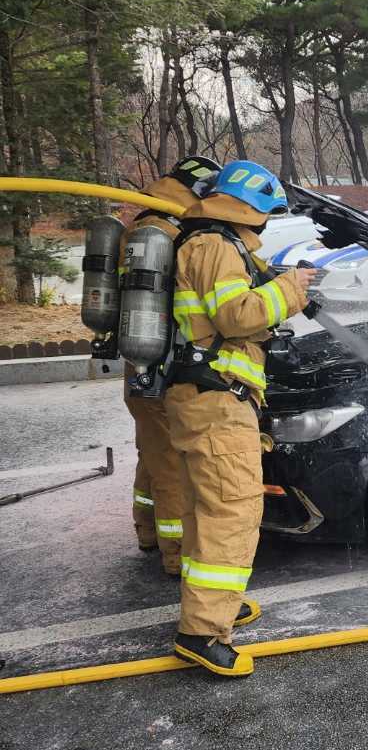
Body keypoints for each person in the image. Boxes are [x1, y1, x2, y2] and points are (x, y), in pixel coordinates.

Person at [166, 161, 315, 677]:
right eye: (267, 214)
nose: (267, 224)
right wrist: (290, 289)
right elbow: (236, 317)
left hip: (202, 399)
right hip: (216, 402)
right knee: (232, 512)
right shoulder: (215, 246)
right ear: (250, 208)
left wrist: (279, 286)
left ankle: (211, 607)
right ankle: (202, 634)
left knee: (204, 511)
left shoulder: (206, 242)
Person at [124, 156, 221, 574]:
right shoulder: (174, 234)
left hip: (139, 364)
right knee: (172, 466)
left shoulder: (143, 225)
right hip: (164, 367)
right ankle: (177, 554)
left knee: (152, 452)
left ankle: (147, 531)